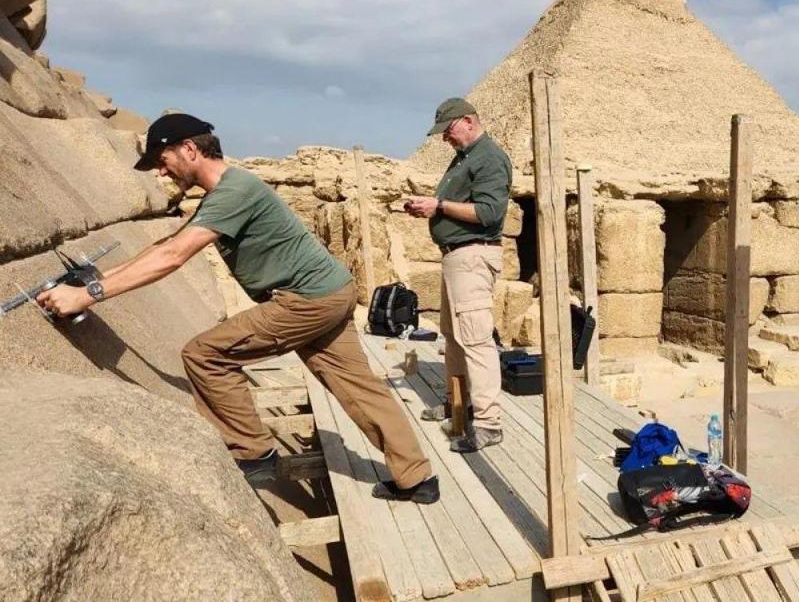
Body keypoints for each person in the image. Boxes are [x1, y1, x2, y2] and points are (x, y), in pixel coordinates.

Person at [37, 112, 438, 504]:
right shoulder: (230, 191)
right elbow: (164, 246)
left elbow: (174, 257)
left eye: (163, 161)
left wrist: (86, 296)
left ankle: (253, 453)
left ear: (189, 149)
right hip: (331, 291)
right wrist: (95, 279)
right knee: (360, 388)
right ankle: (416, 478)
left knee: (204, 355)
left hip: (307, 299)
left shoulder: (233, 192)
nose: (162, 173)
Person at [403, 98, 512, 453]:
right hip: (455, 258)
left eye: (448, 130)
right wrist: (432, 209)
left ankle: (488, 423)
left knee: (477, 339)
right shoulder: (465, 157)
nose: (444, 139)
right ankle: (458, 404)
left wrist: (439, 206)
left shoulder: (490, 158)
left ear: (467, 121)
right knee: (453, 335)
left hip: (472, 256)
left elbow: (490, 212)